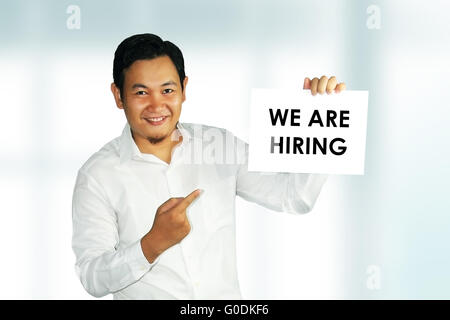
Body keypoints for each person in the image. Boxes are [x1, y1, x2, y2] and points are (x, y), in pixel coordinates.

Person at [71, 33, 346, 300]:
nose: (157, 105)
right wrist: (152, 244)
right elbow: (93, 277)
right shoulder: (97, 175)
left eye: (167, 90)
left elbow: (293, 197)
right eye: (141, 92)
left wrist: (319, 122)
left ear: (184, 89)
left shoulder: (221, 146)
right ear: (118, 96)